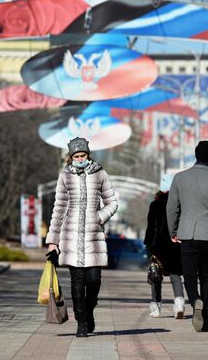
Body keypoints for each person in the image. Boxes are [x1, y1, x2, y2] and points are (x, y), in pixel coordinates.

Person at [46, 137, 118, 337]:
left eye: (82, 155)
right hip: (71, 236)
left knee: (94, 281)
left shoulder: (100, 174)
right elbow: (58, 209)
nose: (79, 159)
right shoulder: (65, 176)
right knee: (77, 281)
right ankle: (81, 322)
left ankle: (89, 311)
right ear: (71, 158)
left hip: (94, 236)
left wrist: (99, 217)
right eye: (76, 156)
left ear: (88, 154)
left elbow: (112, 202)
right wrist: (53, 240)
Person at [166, 141, 208, 332]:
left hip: (188, 234)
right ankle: (206, 318)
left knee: (190, 275)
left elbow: (171, 208)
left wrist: (173, 231)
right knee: (206, 276)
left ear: (195, 155)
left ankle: (195, 301)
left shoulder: (180, 178)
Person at [144, 174, 186, 319]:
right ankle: (179, 301)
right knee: (175, 274)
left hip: (158, 245)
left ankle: (156, 306)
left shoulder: (155, 205)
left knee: (156, 275)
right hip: (176, 244)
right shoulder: (181, 204)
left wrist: (149, 245)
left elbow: (152, 227)